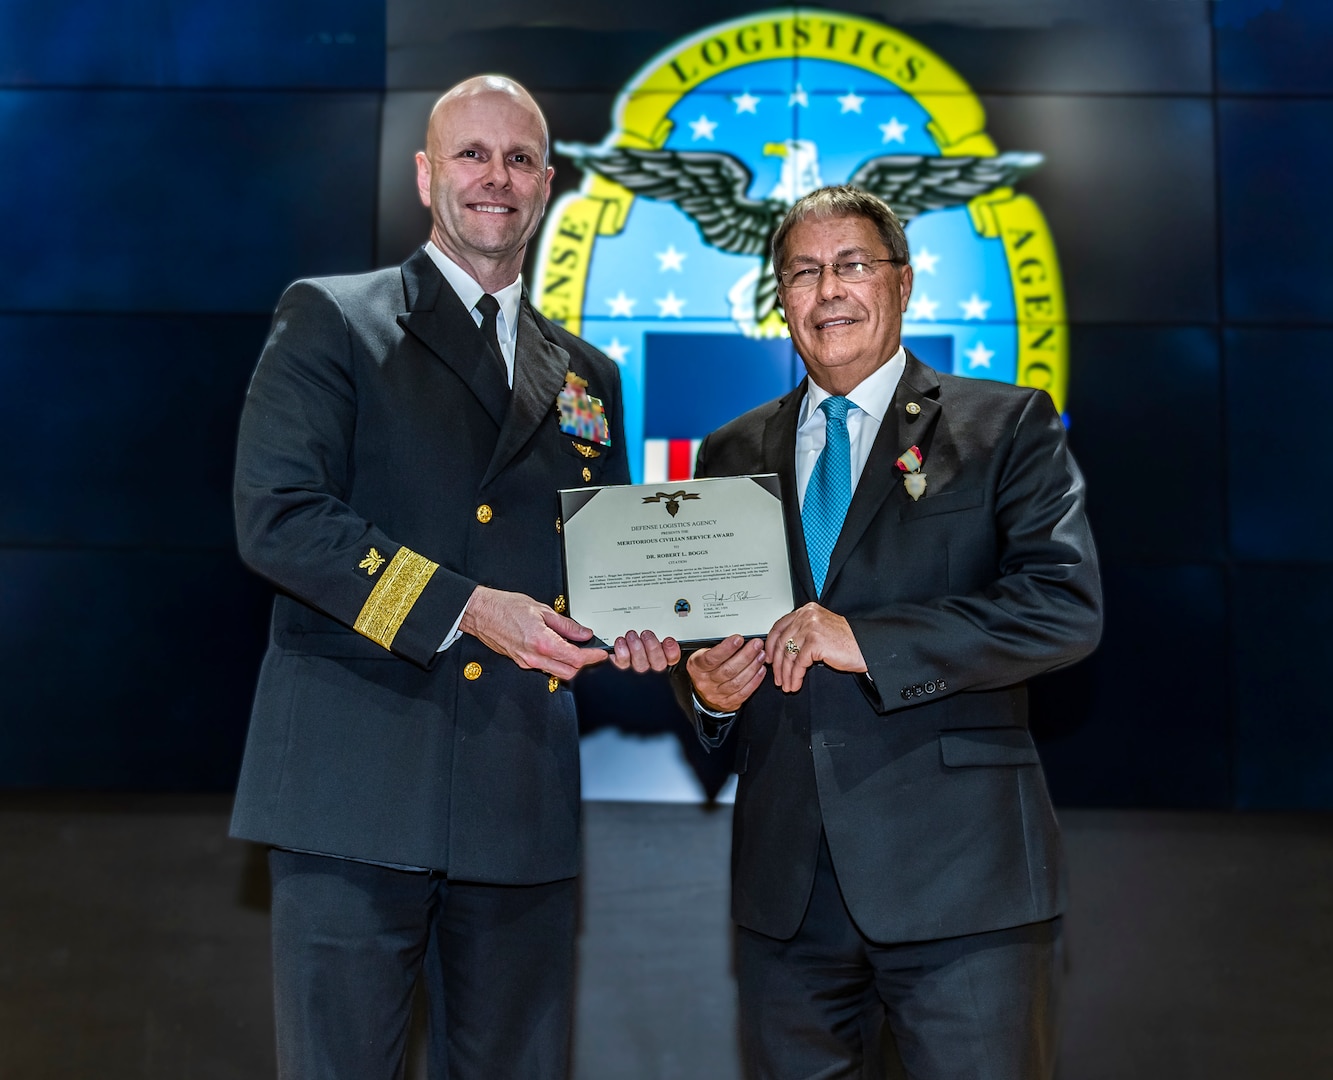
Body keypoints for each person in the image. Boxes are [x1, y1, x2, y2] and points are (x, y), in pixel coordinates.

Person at [230, 75, 678, 1078]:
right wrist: (469, 609)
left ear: (549, 184)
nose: (497, 178)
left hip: (516, 802)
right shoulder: (336, 320)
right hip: (353, 789)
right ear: (427, 175)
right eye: (473, 155)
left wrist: (645, 628)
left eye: (520, 159)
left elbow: (597, 568)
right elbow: (281, 523)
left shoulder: (586, 377)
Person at [680, 185, 1103, 1078]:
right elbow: (706, 644)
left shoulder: (1005, 425)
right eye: (801, 272)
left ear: (903, 284)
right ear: (779, 298)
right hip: (786, 893)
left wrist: (866, 640)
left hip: (963, 888)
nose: (826, 290)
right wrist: (703, 692)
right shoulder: (728, 453)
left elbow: (1061, 608)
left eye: (851, 265)